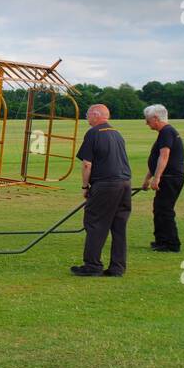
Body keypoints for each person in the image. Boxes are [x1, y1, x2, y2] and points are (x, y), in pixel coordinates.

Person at [72, 104, 133, 277]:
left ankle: (92, 265)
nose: (86, 118)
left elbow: (86, 164)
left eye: (87, 115)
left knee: (95, 223)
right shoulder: (117, 133)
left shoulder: (93, 133)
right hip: (125, 183)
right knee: (119, 226)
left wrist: (85, 186)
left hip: (106, 185)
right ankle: (117, 267)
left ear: (96, 115)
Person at [142, 104, 184, 252]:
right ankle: (161, 240)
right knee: (159, 209)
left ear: (155, 118)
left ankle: (172, 244)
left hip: (170, 177)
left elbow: (164, 156)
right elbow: (155, 159)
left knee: (165, 210)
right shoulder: (165, 132)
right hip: (168, 177)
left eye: (148, 120)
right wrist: (147, 178)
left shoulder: (167, 132)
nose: (146, 123)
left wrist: (157, 178)